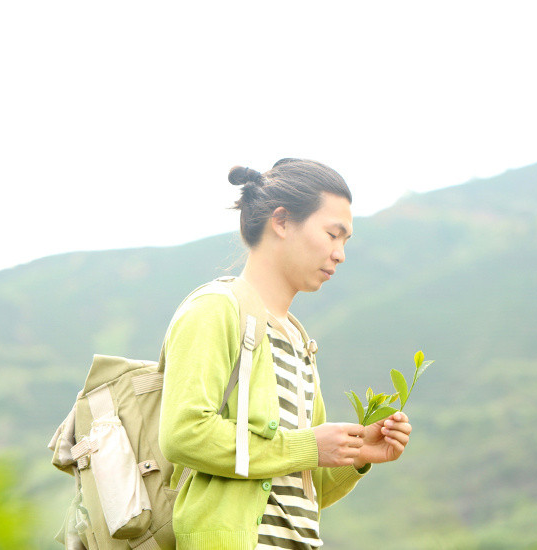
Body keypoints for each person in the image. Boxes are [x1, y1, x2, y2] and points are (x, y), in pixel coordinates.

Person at [158, 158, 413, 549]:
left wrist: (359, 453)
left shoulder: (299, 339)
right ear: (281, 221)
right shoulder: (215, 309)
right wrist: (310, 445)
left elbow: (305, 487)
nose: (340, 253)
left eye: (345, 241)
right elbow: (184, 434)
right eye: (332, 234)